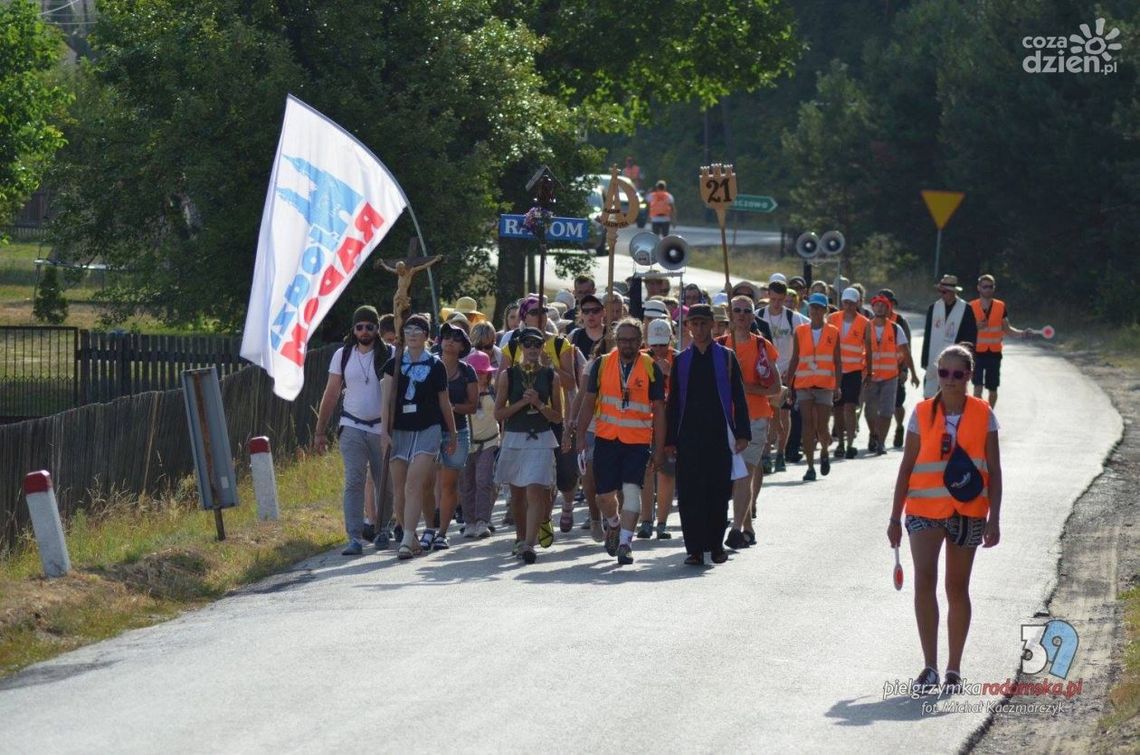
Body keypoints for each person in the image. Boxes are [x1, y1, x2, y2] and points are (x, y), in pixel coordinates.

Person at [888, 344, 1002, 694]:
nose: (950, 381)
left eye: (958, 374)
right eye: (944, 373)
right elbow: (906, 466)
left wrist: (995, 518)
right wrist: (894, 517)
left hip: (968, 511)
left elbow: (995, 471)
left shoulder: (985, 414)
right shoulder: (921, 413)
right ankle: (930, 666)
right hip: (923, 509)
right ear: (937, 374)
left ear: (969, 376)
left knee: (957, 588)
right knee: (924, 582)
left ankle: (954, 668)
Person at [570, 319, 665, 565]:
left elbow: (660, 410)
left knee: (632, 491)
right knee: (604, 497)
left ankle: (625, 543)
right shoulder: (602, 364)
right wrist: (580, 437)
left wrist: (659, 447)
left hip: (637, 441)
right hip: (607, 438)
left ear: (640, 342)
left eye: (633, 340)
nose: (627, 345)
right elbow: (589, 402)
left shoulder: (651, 367)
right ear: (615, 340)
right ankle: (613, 522)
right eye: (622, 340)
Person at [664, 305, 751, 566]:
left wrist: (743, 432)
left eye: (704, 324)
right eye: (694, 324)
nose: (699, 329)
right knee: (690, 494)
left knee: (717, 492)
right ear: (688, 327)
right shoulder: (681, 361)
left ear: (713, 325)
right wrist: (669, 440)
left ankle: (715, 546)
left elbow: (739, 396)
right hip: (689, 437)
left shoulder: (726, 357)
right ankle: (693, 549)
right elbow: (674, 404)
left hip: (718, 436)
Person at [313, 305, 394, 555]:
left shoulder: (390, 353)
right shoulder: (343, 354)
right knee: (354, 480)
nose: (365, 331)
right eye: (360, 326)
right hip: (351, 424)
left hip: (381, 428)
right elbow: (332, 392)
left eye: (370, 326)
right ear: (354, 329)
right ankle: (355, 536)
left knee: (385, 482)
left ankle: (382, 529)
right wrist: (320, 431)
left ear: (377, 329)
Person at [380, 314, 457, 560]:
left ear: (426, 336)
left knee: (414, 483)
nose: (412, 334)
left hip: (428, 429)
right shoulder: (393, 364)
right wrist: (384, 433)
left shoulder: (436, 366)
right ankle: (410, 537)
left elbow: (444, 402)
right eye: (408, 329)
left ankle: (405, 539)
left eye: (418, 330)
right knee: (399, 488)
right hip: (400, 430)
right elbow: (387, 402)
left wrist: (452, 432)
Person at [494, 326, 563, 564]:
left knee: (535, 489)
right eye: (528, 344)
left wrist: (540, 405)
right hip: (514, 438)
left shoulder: (550, 376)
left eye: (537, 344)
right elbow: (498, 413)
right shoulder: (508, 375)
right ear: (520, 347)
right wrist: (522, 404)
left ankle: (529, 544)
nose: (533, 349)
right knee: (517, 494)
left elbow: (557, 416)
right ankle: (521, 536)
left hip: (541, 439)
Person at [718, 296, 781, 549]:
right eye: (737, 310)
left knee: (745, 471)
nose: (742, 315)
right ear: (730, 315)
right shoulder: (720, 346)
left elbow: (775, 388)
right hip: (724, 419)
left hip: (754, 417)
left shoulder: (762, 347)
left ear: (753, 317)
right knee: (728, 474)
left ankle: (736, 528)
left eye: (747, 311)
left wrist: (745, 387)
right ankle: (747, 525)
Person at [423, 322, 478, 550]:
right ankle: (428, 528)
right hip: (429, 431)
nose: (449, 340)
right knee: (426, 483)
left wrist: (450, 407)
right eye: (446, 336)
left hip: (457, 432)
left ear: (463, 345)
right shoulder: (428, 365)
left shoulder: (467, 371)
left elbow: (473, 406)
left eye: (456, 338)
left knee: (448, 485)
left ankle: (442, 533)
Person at [786, 293, 842, 481]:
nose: (816, 311)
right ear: (809, 309)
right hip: (804, 385)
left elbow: (837, 361)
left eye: (819, 308)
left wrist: (838, 386)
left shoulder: (833, 332)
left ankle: (824, 451)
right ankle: (810, 467)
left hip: (825, 385)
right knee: (807, 426)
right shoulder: (800, 331)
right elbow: (795, 358)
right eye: (813, 307)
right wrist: (788, 384)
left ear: (825, 310)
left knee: (822, 426)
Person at [758, 280, 809, 472]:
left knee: (784, 415)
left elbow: (806, 340)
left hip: (787, 373)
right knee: (767, 415)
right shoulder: (759, 316)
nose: (777, 304)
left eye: (781, 300)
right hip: (765, 374)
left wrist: (794, 368)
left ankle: (780, 452)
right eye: (773, 299)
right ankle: (765, 454)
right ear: (768, 296)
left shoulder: (793, 318)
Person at [863, 295, 919, 455]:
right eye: (877, 305)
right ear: (873, 308)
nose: (880, 308)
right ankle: (873, 433)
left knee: (886, 411)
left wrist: (913, 373)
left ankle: (881, 443)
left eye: (883, 306)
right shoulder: (867, 327)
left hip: (890, 377)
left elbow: (905, 352)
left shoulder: (895, 328)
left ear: (888, 309)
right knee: (870, 412)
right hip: (870, 376)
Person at [638, 318, 677, 540]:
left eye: (663, 344)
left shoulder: (679, 359)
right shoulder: (640, 359)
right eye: (655, 345)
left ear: (670, 339)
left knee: (667, 472)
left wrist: (670, 374)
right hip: (644, 422)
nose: (659, 349)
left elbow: (684, 394)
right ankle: (645, 520)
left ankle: (662, 522)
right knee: (646, 471)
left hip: (669, 423)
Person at [969, 274, 1029, 408]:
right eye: (985, 287)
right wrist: (976, 326)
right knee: (977, 387)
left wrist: (1022, 333)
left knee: (993, 388)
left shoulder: (1000, 306)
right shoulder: (971, 306)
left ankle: (989, 415)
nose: (988, 289)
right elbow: (965, 330)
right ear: (979, 288)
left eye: (991, 287)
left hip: (994, 353)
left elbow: (1007, 328)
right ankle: (978, 413)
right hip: (976, 352)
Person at [459, 350, 499, 539]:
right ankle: (469, 522)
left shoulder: (494, 389)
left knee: (483, 481)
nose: (481, 375)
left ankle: (483, 520)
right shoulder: (462, 392)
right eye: (477, 372)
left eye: (483, 371)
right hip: (467, 443)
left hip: (490, 441)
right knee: (467, 484)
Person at [827, 287, 870, 459]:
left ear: (858, 303)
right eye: (846, 302)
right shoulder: (832, 318)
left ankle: (850, 443)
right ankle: (841, 443)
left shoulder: (864, 322)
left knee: (850, 407)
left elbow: (869, 348)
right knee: (837, 408)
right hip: (835, 370)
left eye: (852, 303)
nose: (849, 306)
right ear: (842, 302)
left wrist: (869, 371)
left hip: (854, 371)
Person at [921, 275, 978, 399]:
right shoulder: (933, 308)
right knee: (929, 394)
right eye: (940, 291)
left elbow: (971, 338)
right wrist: (924, 359)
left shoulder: (966, 309)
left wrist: (968, 361)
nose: (941, 294)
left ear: (953, 292)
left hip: (955, 360)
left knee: (952, 394)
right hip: (933, 356)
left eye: (944, 291)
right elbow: (928, 335)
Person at [878, 288, 913, 449]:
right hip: (877, 371)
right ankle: (878, 437)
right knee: (879, 406)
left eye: (888, 303)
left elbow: (907, 348)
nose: (884, 306)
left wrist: (905, 370)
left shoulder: (900, 322)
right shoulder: (873, 320)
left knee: (897, 404)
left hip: (896, 369)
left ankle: (899, 427)